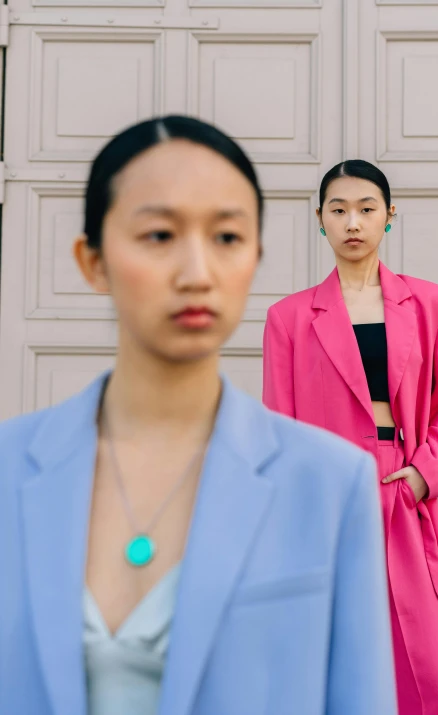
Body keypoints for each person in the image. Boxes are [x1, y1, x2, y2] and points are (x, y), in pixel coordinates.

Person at [0, 120, 397, 715]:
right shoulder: (9, 469)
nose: (196, 272)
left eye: (227, 237)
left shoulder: (331, 483)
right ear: (93, 262)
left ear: (255, 257)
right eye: (159, 234)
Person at [263, 159, 438, 715]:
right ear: (320, 220)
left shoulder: (432, 304)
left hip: (401, 484)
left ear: (388, 217)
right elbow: (279, 432)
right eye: (339, 210)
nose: (353, 222)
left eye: (366, 209)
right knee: (333, 658)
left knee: (420, 665)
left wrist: (425, 477)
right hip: (326, 496)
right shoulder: (287, 317)